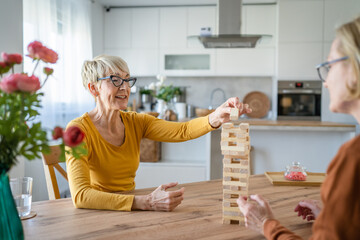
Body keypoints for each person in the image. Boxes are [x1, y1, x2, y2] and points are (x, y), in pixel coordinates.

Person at [65, 54, 252, 212]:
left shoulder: (136, 121)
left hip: (130, 211)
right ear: (93, 88)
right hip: (97, 212)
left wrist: (216, 117)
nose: (125, 87)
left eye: (127, 79)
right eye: (115, 80)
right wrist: (146, 202)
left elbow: (183, 130)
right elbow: (81, 196)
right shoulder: (78, 130)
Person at [237, 16, 360, 239]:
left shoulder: (353, 157)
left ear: (354, 71)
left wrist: (266, 223)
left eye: (330, 66)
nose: (326, 81)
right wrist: (332, 217)